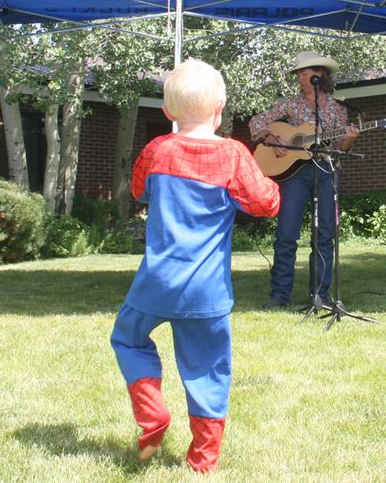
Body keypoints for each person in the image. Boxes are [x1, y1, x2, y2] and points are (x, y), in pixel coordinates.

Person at [110, 59, 280, 473]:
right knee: (207, 368)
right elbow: (266, 204)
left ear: (168, 112)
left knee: (128, 339)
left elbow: (138, 190)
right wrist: (270, 179)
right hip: (206, 290)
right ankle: (203, 459)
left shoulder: (156, 150)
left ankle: (152, 415)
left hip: (157, 282)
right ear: (220, 107)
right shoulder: (233, 155)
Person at [249, 51, 359, 309]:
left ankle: (319, 295)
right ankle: (279, 295)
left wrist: (351, 138)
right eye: (298, 73)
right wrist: (273, 138)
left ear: (319, 75)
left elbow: (340, 146)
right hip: (295, 174)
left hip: (325, 170)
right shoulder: (290, 104)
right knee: (287, 233)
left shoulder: (337, 110)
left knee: (324, 234)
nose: (299, 77)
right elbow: (257, 122)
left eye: (304, 72)